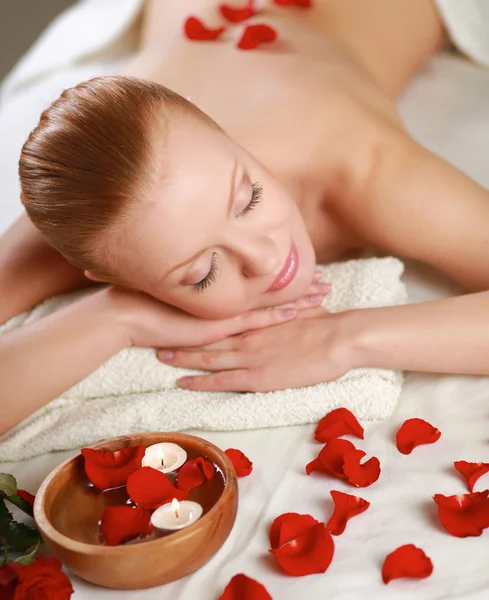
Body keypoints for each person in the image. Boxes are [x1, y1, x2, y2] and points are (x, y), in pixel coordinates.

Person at [1, 0, 489, 436]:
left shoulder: (363, 168)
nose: (266, 257)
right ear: (111, 276)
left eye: (249, 198)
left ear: (215, 125)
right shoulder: (106, 203)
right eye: (202, 272)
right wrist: (113, 318)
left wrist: (346, 338)